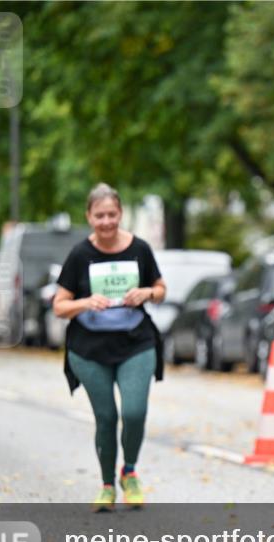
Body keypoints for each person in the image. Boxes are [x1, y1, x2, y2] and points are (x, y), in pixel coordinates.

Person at [53, 184, 166, 512]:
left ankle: (129, 471)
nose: (106, 222)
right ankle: (106, 486)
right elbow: (59, 306)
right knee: (106, 417)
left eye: (112, 214)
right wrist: (85, 302)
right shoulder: (80, 255)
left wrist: (147, 293)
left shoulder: (139, 249)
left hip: (135, 343)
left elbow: (161, 289)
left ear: (120, 214)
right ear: (89, 217)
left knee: (134, 413)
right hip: (89, 348)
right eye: (99, 215)